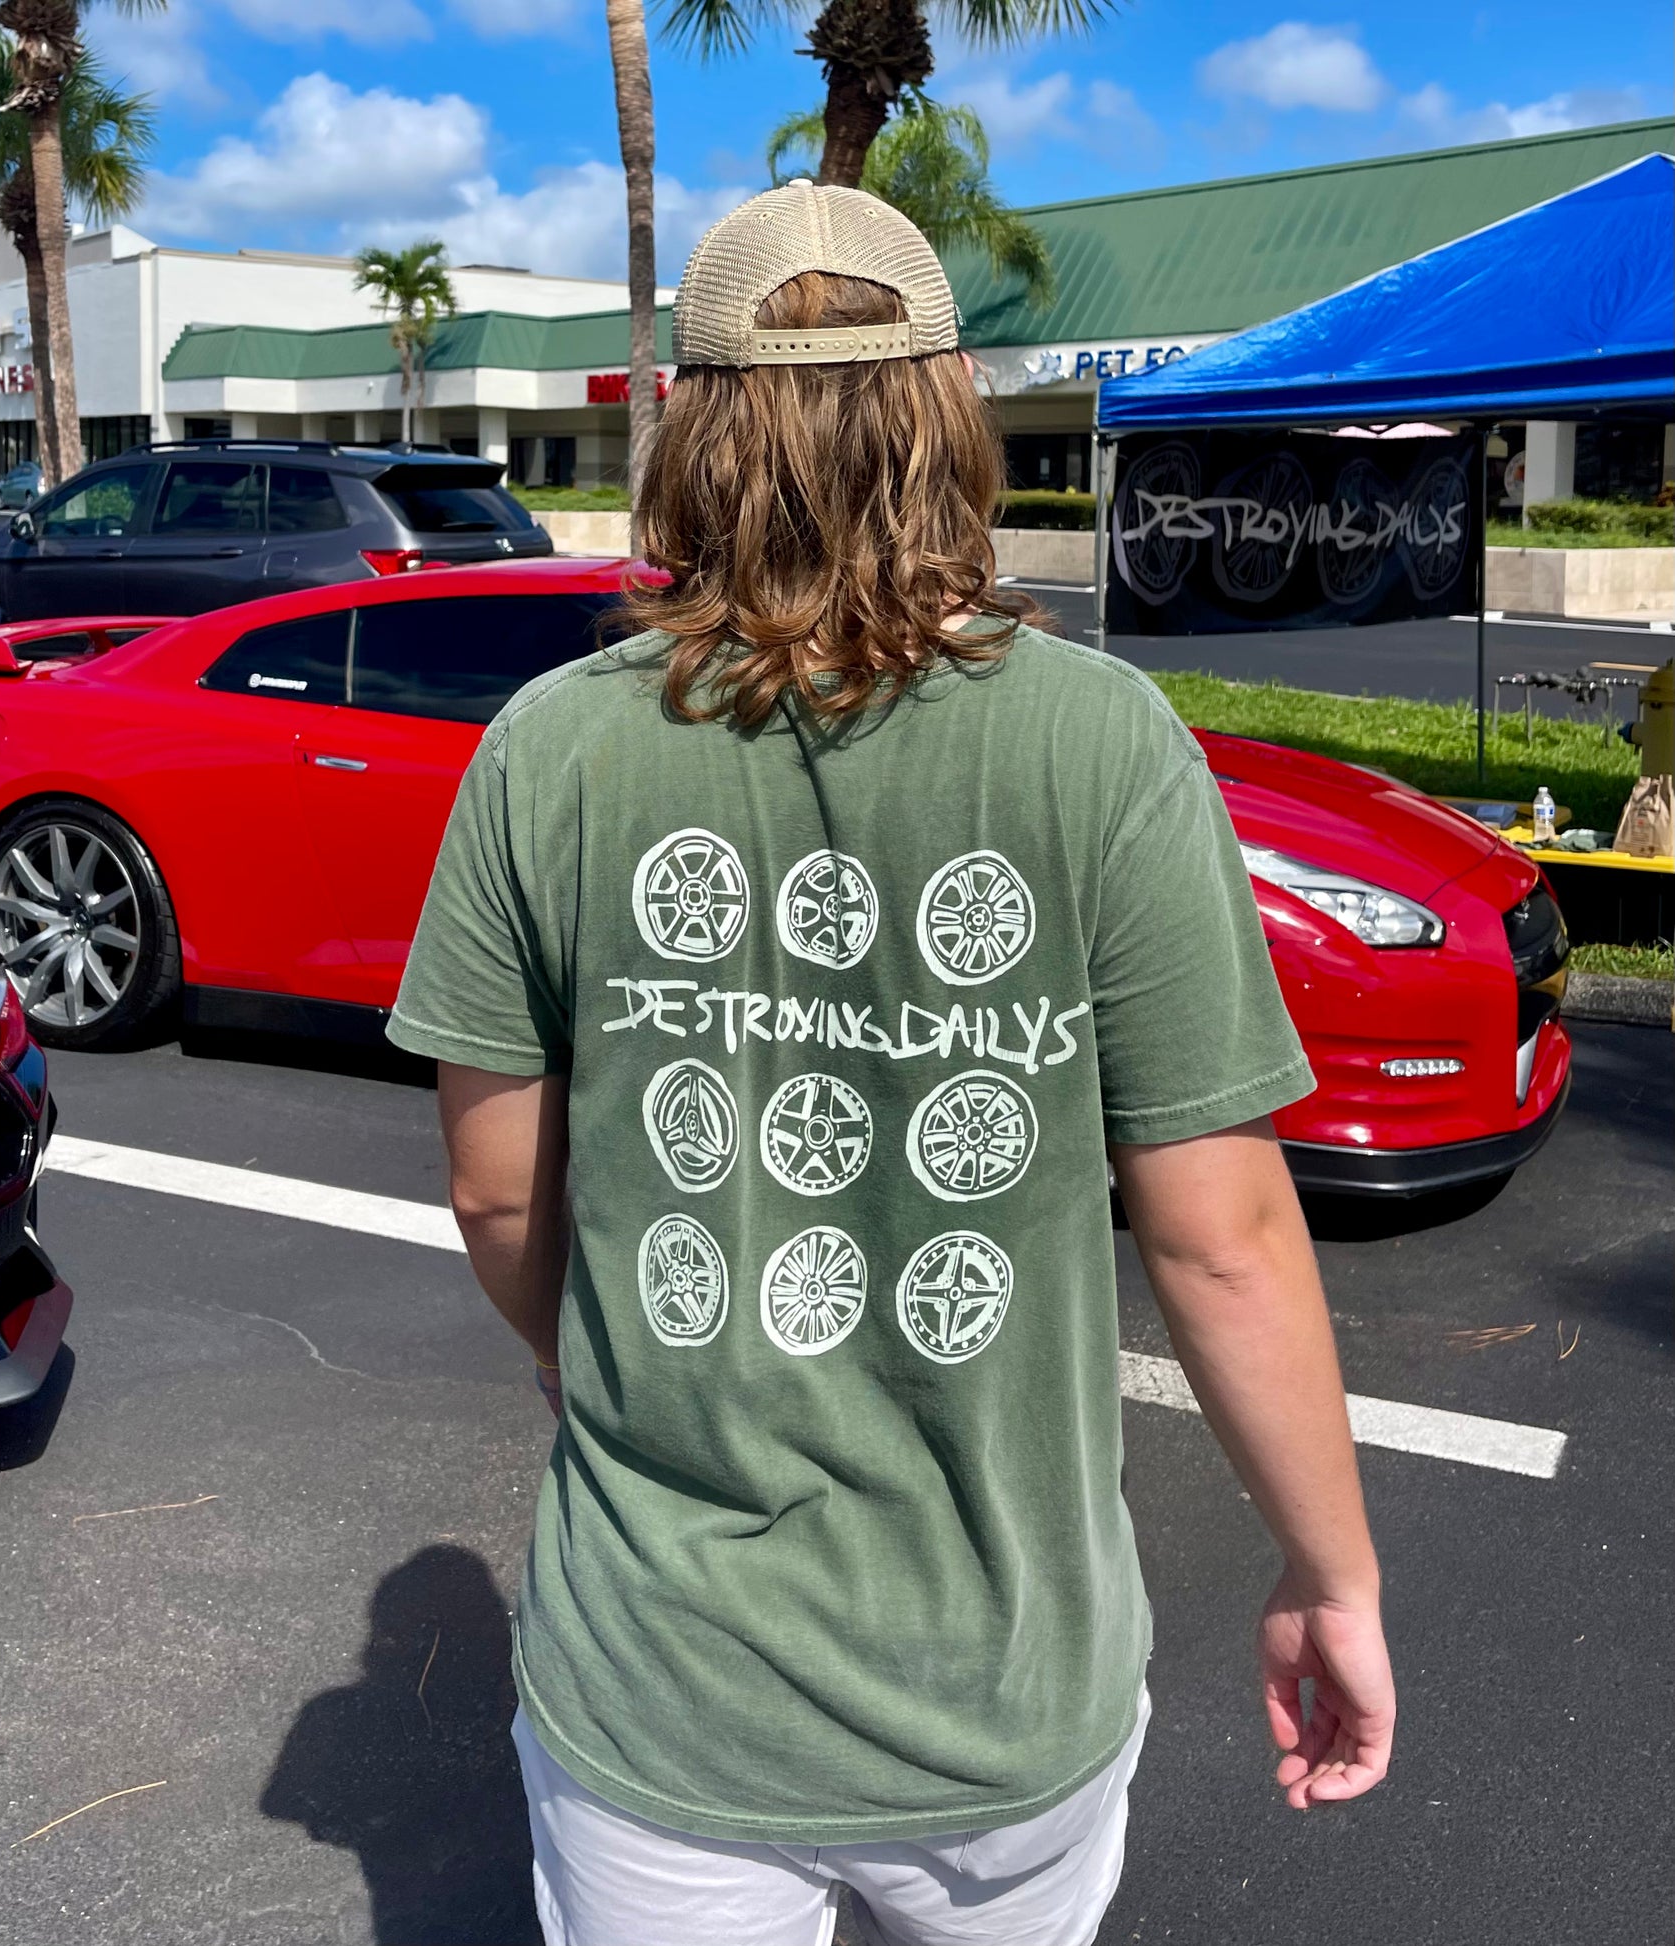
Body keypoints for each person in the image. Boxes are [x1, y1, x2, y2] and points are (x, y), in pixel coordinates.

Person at [385, 181, 1394, 1946]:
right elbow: (1222, 1232)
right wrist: (1332, 1572)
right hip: (1000, 1699)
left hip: (659, 1689)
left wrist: (609, 1363)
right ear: (946, 416)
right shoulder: (1103, 743)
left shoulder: (549, 752)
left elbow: (492, 1184)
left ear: (688, 426)